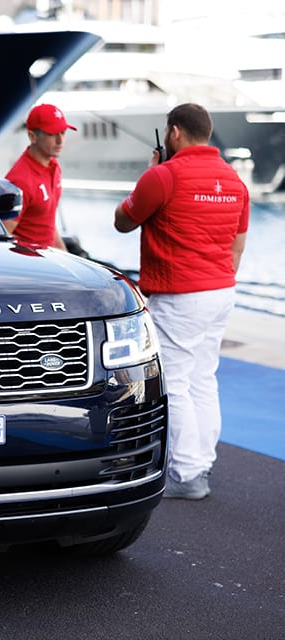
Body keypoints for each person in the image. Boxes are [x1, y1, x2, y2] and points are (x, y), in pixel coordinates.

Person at [113, 102, 250, 500]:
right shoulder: (234, 181)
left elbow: (123, 221)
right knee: (204, 378)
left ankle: (186, 474)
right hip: (220, 291)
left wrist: (149, 173)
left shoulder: (163, 176)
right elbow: (237, 247)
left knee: (175, 380)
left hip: (180, 296)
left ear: (174, 133)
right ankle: (200, 465)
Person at [3, 103, 76, 250]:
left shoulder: (54, 166)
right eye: (52, 134)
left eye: (63, 132)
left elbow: (45, 222)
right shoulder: (19, 181)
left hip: (50, 260)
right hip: (31, 266)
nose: (60, 140)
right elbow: (3, 236)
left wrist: (65, 255)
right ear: (32, 136)